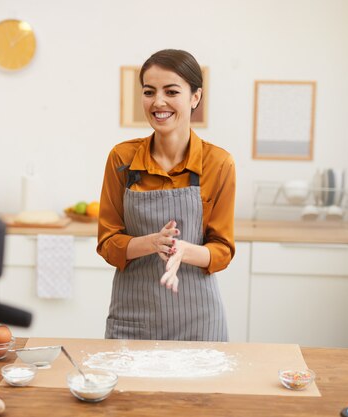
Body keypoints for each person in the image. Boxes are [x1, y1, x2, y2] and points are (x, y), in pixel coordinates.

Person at [97, 49, 236, 341]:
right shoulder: (121, 159)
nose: (158, 102)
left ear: (195, 97)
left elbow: (222, 251)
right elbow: (108, 243)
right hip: (133, 319)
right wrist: (150, 243)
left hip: (199, 323)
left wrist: (184, 250)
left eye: (171, 91)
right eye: (149, 92)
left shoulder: (218, 164)